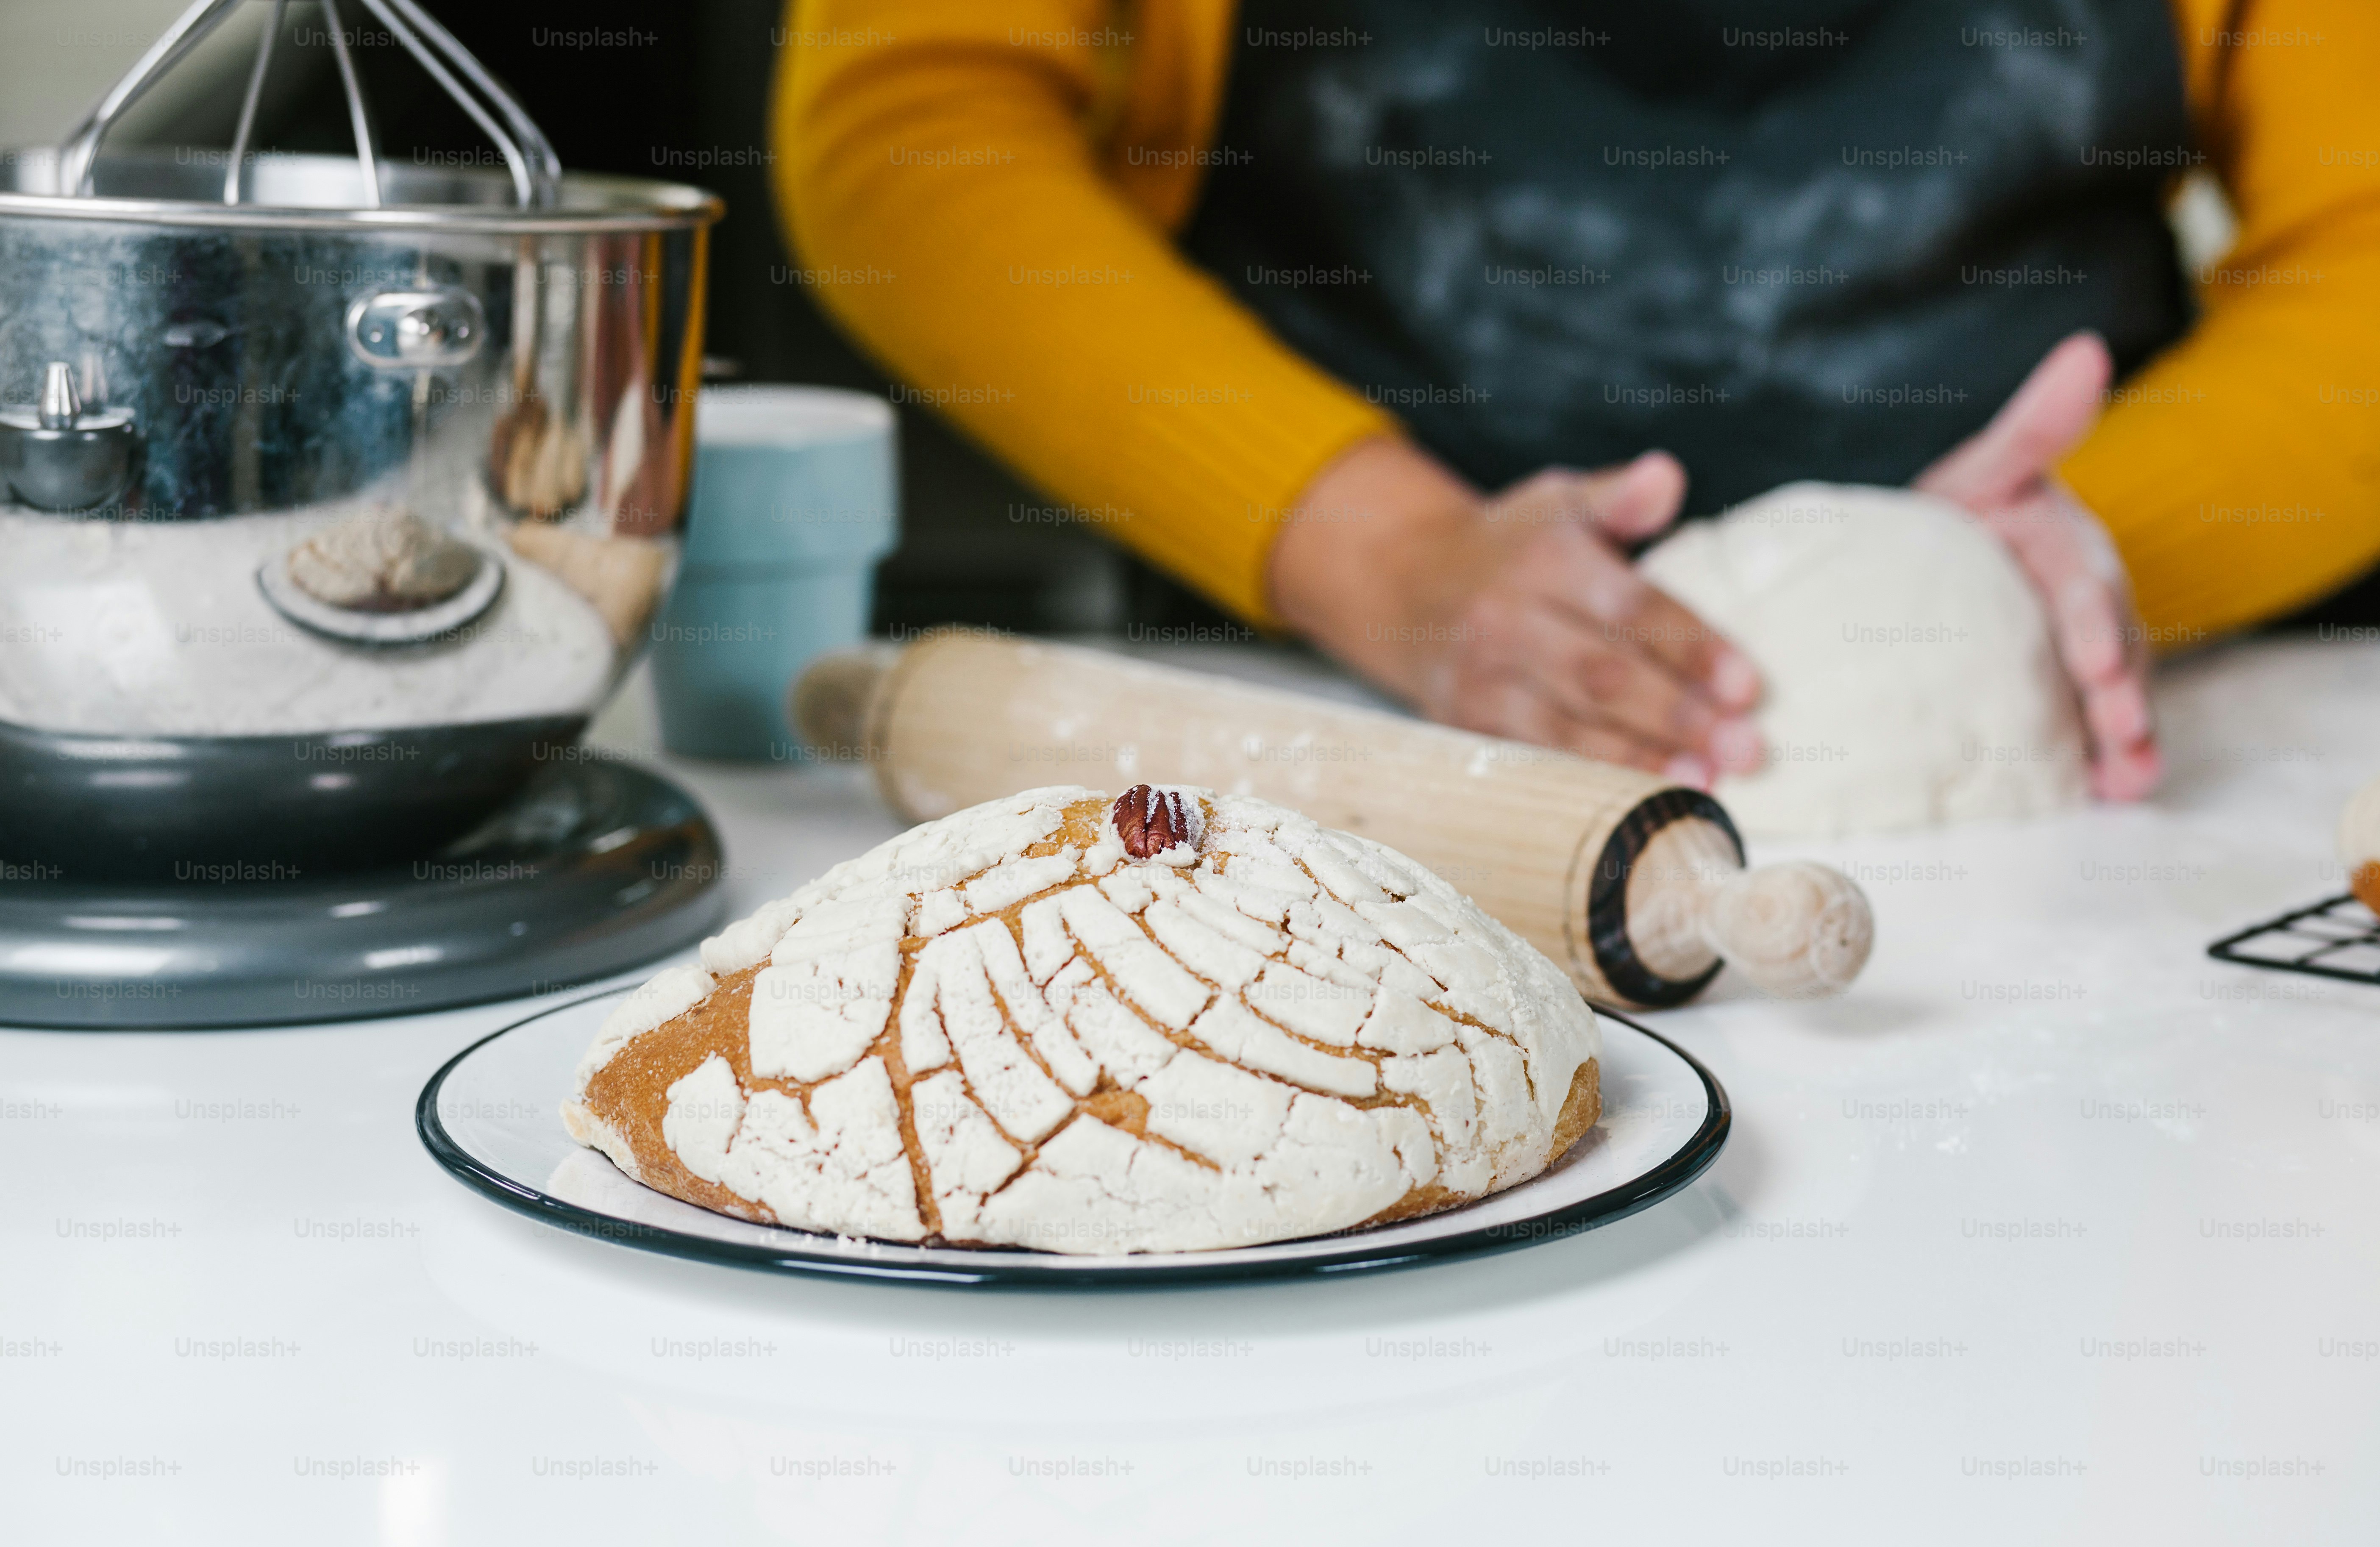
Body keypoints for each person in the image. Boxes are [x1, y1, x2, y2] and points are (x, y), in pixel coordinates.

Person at [770, 0, 2380, 797]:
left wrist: (2080, 561)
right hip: (1338, 734)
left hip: (2079, 745)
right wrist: (1383, 558)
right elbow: (920, 120)